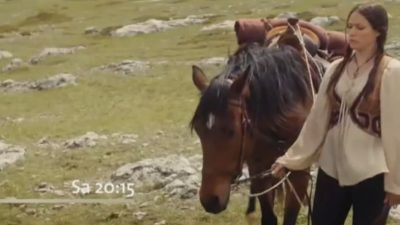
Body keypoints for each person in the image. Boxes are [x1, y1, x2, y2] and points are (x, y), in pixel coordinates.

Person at [270, 3, 400, 225]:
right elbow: (316, 119)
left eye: (361, 27)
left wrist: (395, 184)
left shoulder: (391, 71)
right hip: (331, 169)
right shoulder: (335, 68)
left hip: (371, 174)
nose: (352, 32)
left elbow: (396, 131)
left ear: (378, 31)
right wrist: (292, 159)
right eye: (350, 26)